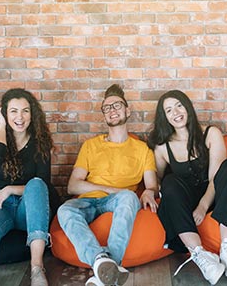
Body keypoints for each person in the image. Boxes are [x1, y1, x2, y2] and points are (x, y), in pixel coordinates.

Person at [56, 84, 159, 286]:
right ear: (104, 115)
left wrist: (149, 191)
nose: (112, 110)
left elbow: (151, 186)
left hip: (119, 202)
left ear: (127, 110)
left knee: (129, 197)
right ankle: (104, 264)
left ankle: (104, 268)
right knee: (65, 210)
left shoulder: (142, 150)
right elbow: (73, 186)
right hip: (88, 201)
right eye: (107, 108)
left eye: (117, 105)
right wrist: (111, 190)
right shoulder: (91, 145)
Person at [147, 90, 227, 285]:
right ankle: (200, 254)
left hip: (216, 196)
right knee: (169, 182)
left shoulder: (211, 133)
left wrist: (203, 206)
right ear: (165, 118)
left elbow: (215, 177)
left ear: (187, 107)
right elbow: (157, 180)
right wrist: (149, 190)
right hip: (186, 202)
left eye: (178, 105)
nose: (175, 112)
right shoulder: (162, 148)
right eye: (169, 110)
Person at [0, 89, 61, 286]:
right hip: (0, 204)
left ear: (32, 114)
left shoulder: (40, 144)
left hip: (29, 208)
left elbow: (43, 183)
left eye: (25, 111)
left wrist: (10, 189)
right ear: (4, 114)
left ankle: (37, 268)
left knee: (36, 184)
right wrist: (2, 126)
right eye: (13, 111)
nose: (20, 117)